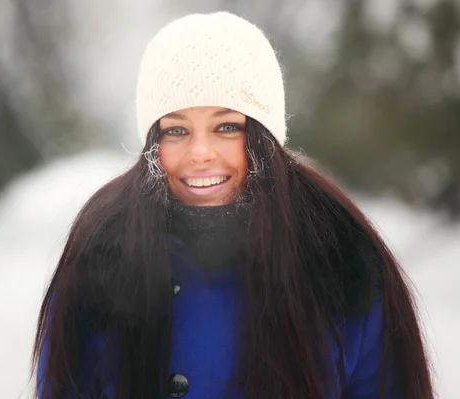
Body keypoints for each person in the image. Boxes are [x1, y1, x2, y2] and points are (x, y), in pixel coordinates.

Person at [33, 11, 434, 399]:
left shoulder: (338, 256)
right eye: (176, 130)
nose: (200, 153)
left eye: (227, 127)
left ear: (264, 134)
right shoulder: (101, 250)